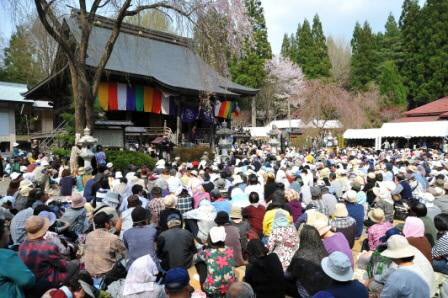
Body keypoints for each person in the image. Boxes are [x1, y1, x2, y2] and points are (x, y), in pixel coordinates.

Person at [19, 216, 78, 296]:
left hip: (32, 280)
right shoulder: (48, 246)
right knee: (75, 263)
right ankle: (69, 289)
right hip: (47, 281)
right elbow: (63, 266)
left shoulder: (22, 245)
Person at [288, 225, 332, 297]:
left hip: (308, 293)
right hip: (325, 289)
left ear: (302, 237)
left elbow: (290, 276)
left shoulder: (300, 254)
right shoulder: (323, 248)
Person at [83, 212, 126, 285]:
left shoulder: (89, 236)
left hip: (89, 273)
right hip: (106, 275)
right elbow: (125, 253)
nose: (111, 222)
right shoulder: (113, 238)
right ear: (106, 224)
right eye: (109, 221)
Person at [196, 226, 236, 297]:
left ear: (210, 239)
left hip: (211, 290)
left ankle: (205, 285)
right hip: (229, 288)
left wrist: (204, 246)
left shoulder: (207, 252)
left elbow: (197, 256)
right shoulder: (231, 250)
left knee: (200, 263)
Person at [0, 219, 35, 298]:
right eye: (6, 231)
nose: (9, 233)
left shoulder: (18, 248)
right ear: (1, 236)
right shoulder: (6, 256)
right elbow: (28, 280)